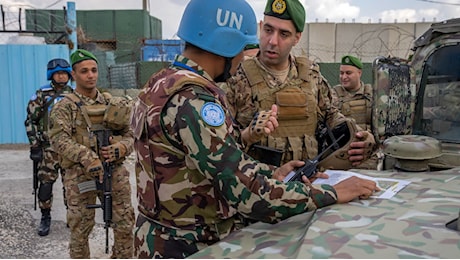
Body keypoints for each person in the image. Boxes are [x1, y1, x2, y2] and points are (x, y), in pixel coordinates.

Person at [130, 0, 379, 258]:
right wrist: (332, 193)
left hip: (159, 238)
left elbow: (217, 158)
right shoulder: (194, 100)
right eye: (244, 46)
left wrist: (274, 172)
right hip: (189, 245)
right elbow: (246, 193)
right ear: (226, 43)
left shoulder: (160, 83)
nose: (244, 56)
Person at [224, 0, 376, 170]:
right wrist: (247, 136)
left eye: (284, 34)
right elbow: (219, 146)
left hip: (310, 183)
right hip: (261, 188)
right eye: (268, 30)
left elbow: (331, 116)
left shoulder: (310, 76)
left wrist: (359, 136)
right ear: (260, 26)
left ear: (297, 37)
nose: (273, 41)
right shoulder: (236, 78)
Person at [48, 49, 135, 258]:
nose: (91, 75)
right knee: (80, 227)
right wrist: (87, 158)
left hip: (113, 170)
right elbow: (59, 140)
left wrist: (122, 147)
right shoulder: (64, 107)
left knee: (124, 224)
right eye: (84, 71)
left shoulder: (111, 103)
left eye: (94, 70)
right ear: (74, 74)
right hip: (80, 174)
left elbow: (131, 133)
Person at [25, 58, 73, 236]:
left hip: (70, 150)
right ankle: (46, 217)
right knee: (45, 185)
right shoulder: (42, 94)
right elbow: (31, 121)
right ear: (52, 75)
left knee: (72, 185)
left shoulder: (75, 94)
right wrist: (35, 145)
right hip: (48, 150)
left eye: (64, 73)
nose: (61, 77)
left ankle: (73, 216)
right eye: (58, 74)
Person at [331, 55, 381, 169]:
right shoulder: (333, 95)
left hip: (370, 156)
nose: (344, 77)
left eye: (348, 73)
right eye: (341, 73)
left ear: (359, 73)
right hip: (344, 156)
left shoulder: (373, 95)